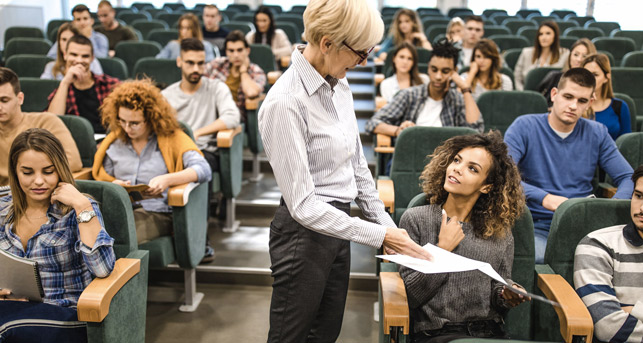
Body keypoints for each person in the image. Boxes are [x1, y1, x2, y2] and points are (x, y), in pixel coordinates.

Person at [258, 0, 433, 341]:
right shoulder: (285, 102)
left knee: (326, 333)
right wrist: (379, 236)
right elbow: (304, 206)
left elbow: (357, 167)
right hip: (302, 235)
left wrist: (386, 225)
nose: (364, 61)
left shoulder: (340, 84)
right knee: (290, 336)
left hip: (339, 226)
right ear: (327, 43)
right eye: (360, 52)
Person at [400, 131, 529, 342]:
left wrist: (507, 294)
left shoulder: (499, 231)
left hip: (489, 333)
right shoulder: (417, 219)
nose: (457, 169)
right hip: (438, 333)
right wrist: (442, 250)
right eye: (457, 160)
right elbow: (411, 295)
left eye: (472, 168)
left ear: (487, 186)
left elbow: (498, 287)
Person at [504, 68, 634, 264]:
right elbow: (502, 175)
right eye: (568, 97)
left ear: (590, 103)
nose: (573, 105)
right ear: (554, 94)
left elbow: (627, 177)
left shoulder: (597, 132)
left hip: (584, 225)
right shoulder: (524, 126)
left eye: (581, 101)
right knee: (543, 259)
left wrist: (608, 208)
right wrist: (544, 197)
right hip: (535, 224)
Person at [0, 128, 115, 342]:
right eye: (27, 172)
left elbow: (103, 268)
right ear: (15, 172)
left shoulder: (79, 210)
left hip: (66, 313)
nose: (38, 181)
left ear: (60, 170)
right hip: (13, 309)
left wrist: (81, 205)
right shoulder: (2, 208)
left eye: (48, 171)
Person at [92, 79, 211, 245]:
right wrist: (115, 184)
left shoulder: (172, 138)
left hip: (157, 212)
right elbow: (104, 177)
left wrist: (167, 179)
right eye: (122, 121)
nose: (127, 128)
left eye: (134, 123)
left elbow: (204, 169)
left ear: (151, 118)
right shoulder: (114, 142)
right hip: (121, 210)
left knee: (121, 235)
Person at [574, 165, 643, 343]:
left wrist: (631, 310)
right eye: (639, 196)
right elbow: (609, 328)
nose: (641, 208)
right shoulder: (598, 245)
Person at [365, 38, 484, 137]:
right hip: (411, 159)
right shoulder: (409, 95)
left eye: (445, 71)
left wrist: (465, 89)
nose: (438, 76)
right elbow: (373, 123)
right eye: (434, 69)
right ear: (428, 68)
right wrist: (400, 131)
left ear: (454, 72)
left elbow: (477, 131)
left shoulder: (458, 100)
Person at [0, 67, 82, 185]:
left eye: (4, 100)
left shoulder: (46, 121)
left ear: (20, 98)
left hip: (38, 192)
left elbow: (73, 162)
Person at [46, 35, 120, 134]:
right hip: (75, 143)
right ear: (65, 55)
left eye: (85, 56)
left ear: (92, 58)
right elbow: (53, 122)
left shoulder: (109, 84)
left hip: (107, 143)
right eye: (74, 55)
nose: (79, 60)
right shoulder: (62, 90)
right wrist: (65, 82)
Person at [206, 30, 266, 123]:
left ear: (247, 50)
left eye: (239, 50)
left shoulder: (256, 71)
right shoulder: (217, 64)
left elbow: (251, 92)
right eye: (231, 51)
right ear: (226, 52)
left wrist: (243, 71)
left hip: (235, 117)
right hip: (211, 111)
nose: (236, 55)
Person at [582, 53, 632, 140]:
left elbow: (626, 143)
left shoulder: (620, 106)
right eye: (586, 74)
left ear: (606, 77)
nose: (589, 79)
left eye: (595, 75)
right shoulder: (574, 105)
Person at [538, 38, 597, 108]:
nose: (579, 59)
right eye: (576, 54)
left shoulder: (595, 83)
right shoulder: (555, 77)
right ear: (570, 56)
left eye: (584, 56)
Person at [514, 21, 569, 91]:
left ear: (555, 36)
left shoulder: (564, 53)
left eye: (548, 33)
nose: (544, 37)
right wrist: (524, 94)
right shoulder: (526, 53)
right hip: (527, 93)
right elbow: (517, 77)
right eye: (541, 34)